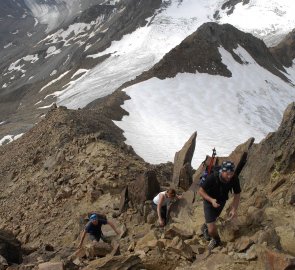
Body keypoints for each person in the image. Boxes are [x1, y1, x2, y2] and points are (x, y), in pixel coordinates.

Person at [198, 161, 241, 249]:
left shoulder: (234, 178)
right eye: (227, 174)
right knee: (212, 229)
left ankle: (205, 227)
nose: (229, 176)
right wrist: (211, 200)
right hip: (209, 200)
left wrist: (234, 209)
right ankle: (216, 240)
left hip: (221, 200)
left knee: (213, 219)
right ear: (222, 171)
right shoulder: (212, 177)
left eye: (231, 173)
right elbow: (200, 191)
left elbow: (237, 194)